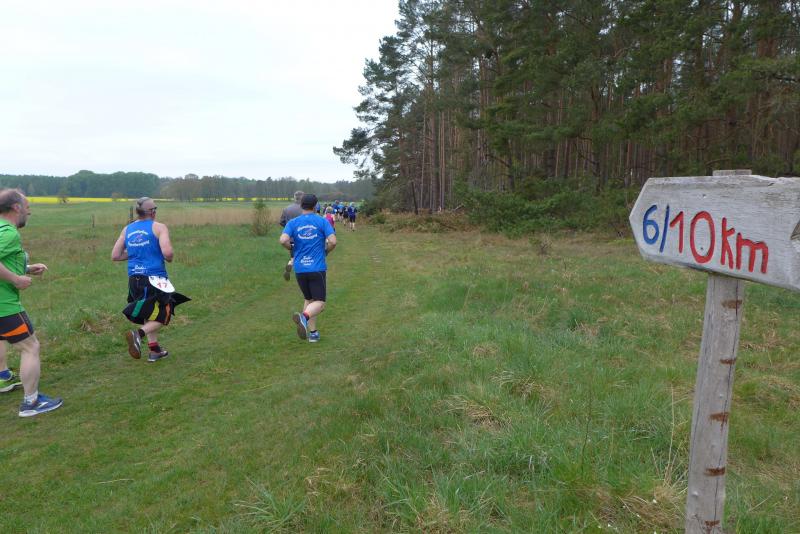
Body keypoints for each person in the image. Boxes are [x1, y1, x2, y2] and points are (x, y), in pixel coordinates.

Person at [0, 189, 63, 417]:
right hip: (5, 306)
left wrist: (25, 268)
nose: (29, 211)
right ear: (16, 207)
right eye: (27, 206)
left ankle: (5, 380)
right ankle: (31, 403)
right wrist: (16, 279)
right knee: (30, 347)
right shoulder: (9, 232)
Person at [111, 197, 190, 362]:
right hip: (154, 278)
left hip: (134, 279)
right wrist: (168, 257)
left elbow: (116, 255)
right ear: (152, 212)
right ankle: (138, 334)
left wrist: (135, 253)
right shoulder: (159, 227)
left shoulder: (127, 229)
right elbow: (168, 253)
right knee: (164, 313)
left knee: (150, 312)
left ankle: (155, 350)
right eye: (155, 209)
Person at [279, 194, 336, 343]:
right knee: (320, 303)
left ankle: (313, 333)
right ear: (316, 206)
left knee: (309, 299)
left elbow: (283, 240)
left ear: (301, 205)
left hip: (300, 269)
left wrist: (291, 248)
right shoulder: (322, 221)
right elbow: (333, 241)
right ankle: (303, 317)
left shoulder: (293, 222)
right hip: (317, 268)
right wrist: (326, 251)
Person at [279, 190, 304, 281]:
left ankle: (290, 264)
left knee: (293, 256)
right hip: (305, 236)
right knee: (305, 256)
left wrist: (289, 230)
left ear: (294, 198)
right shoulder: (306, 209)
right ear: (303, 198)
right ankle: (303, 273)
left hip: (292, 238)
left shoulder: (287, 209)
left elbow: (281, 222)